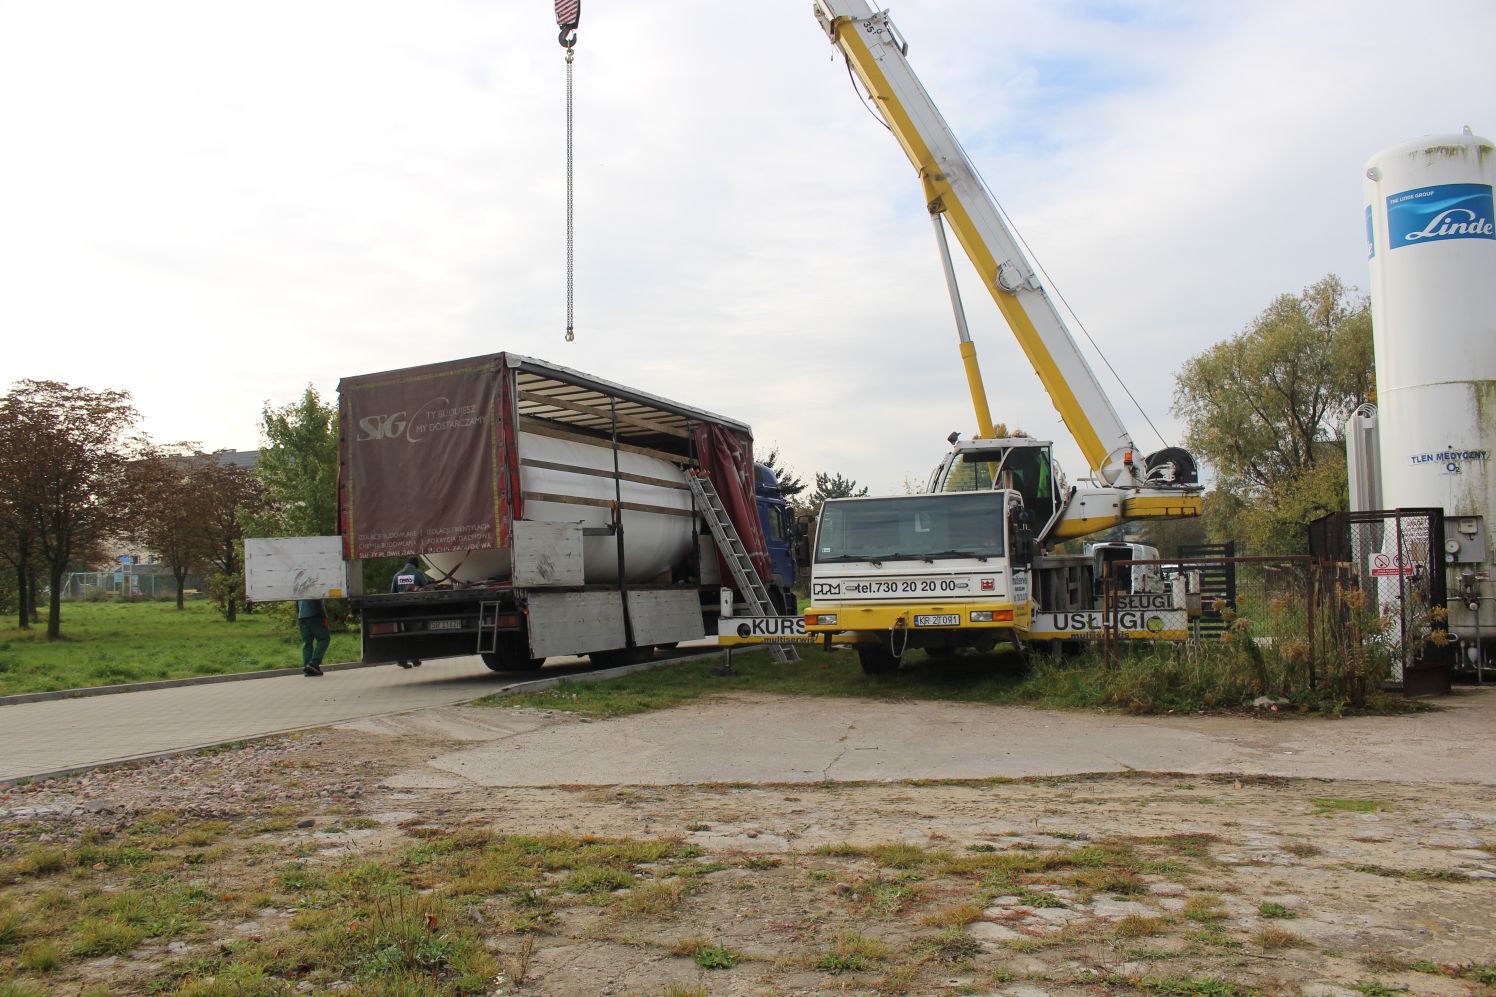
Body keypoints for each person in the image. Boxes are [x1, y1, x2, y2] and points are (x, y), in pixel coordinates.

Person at [391, 556, 430, 668]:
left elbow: (392, 593)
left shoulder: (397, 575)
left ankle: (401, 660)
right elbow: (427, 588)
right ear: (416, 564)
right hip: (414, 609)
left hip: (400, 609)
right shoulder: (418, 574)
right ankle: (415, 659)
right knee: (413, 633)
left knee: (402, 635)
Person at [297, 598, 329, 677]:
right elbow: (316, 600)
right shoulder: (313, 586)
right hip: (314, 615)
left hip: (302, 616)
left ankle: (308, 668)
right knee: (324, 639)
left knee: (307, 642)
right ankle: (313, 664)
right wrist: (323, 616)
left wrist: (299, 614)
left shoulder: (299, 586)